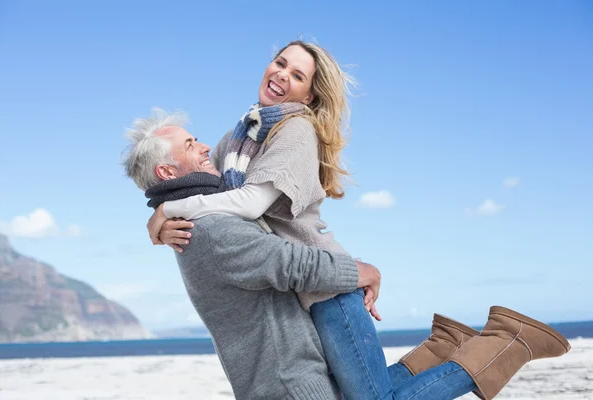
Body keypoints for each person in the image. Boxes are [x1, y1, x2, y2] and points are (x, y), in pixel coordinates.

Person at [127, 108, 571, 400]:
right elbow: (291, 264)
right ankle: (493, 344)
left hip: (291, 379)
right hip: (288, 383)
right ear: (168, 171)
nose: (204, 147)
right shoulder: (208, 228)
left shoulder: (202, 213)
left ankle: (474, 345)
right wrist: (362, 270)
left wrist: (161, 209)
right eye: (190, 145)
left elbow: (242, 144)